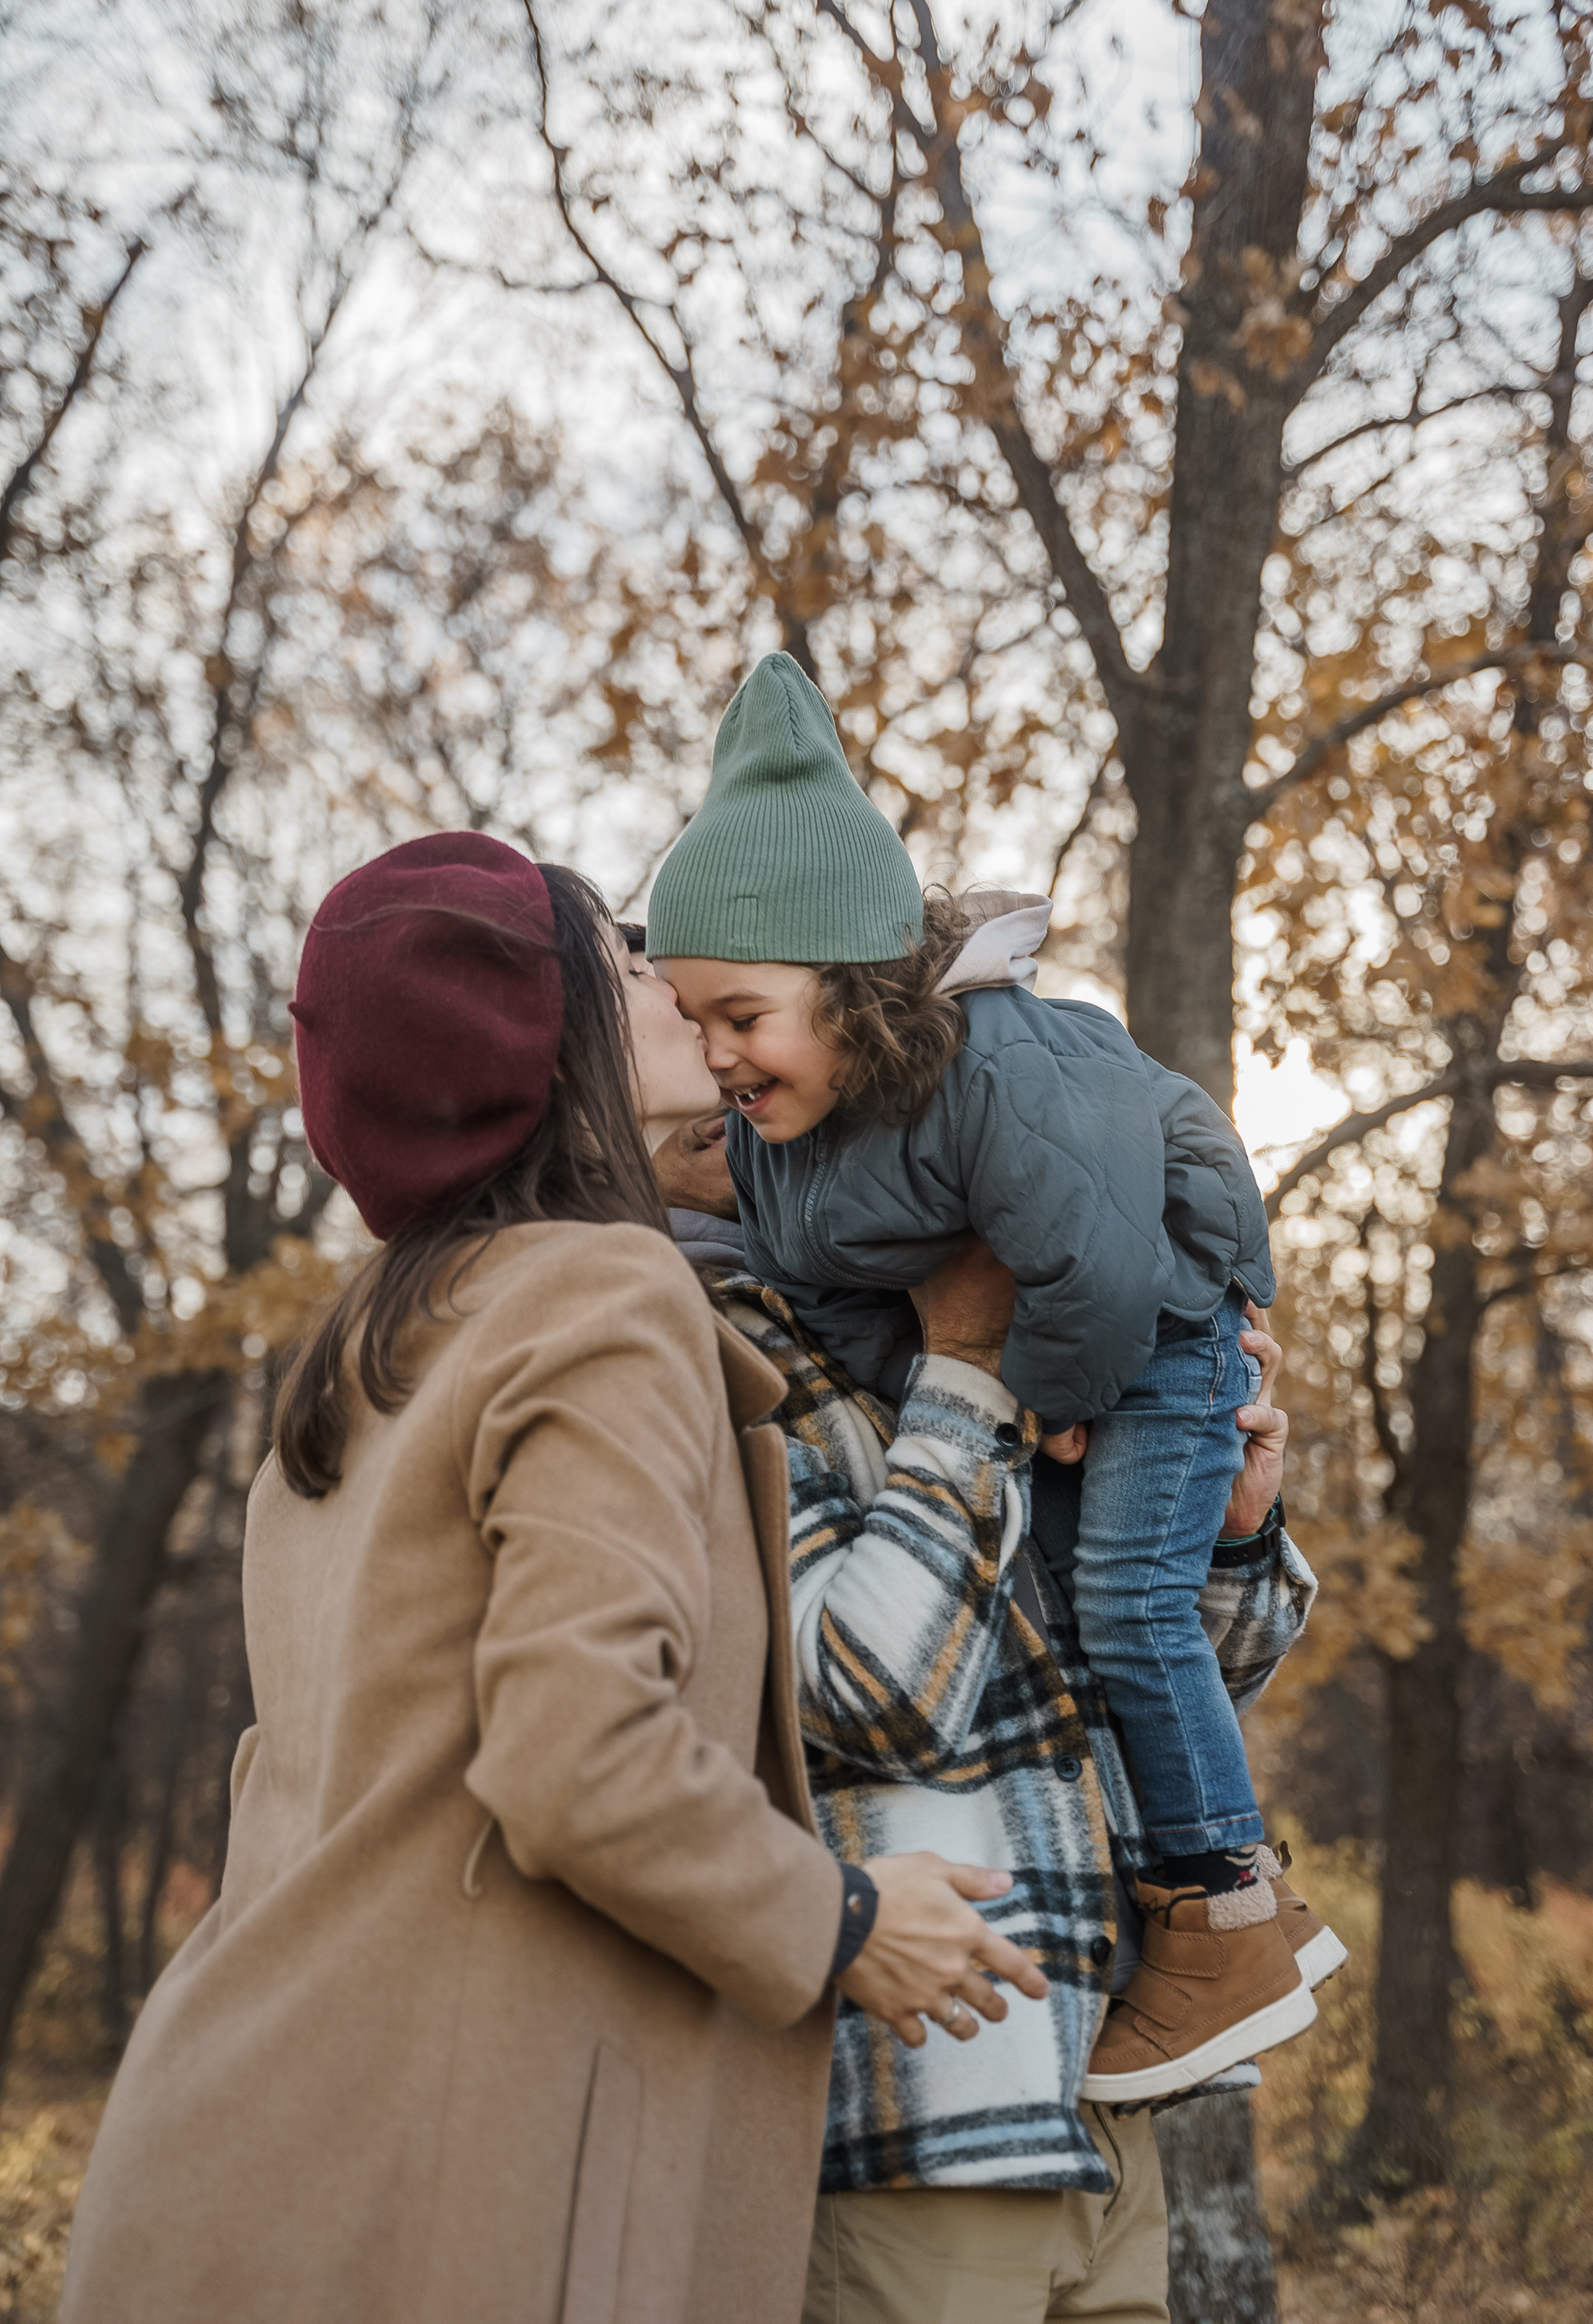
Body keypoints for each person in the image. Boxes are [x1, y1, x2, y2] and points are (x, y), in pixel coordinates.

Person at [59, 832, 1049, 2324]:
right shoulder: (599, 1292)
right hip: (460, 2189)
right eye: (630, 955)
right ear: (562, 1033)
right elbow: (577, 1749)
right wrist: (842, 1920)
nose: (673, 976)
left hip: (244, 2153)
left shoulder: (369, 1351)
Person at [648, 653, 1342, 2101]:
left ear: (847, 990)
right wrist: (959, 1378)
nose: (714, 1060)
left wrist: (1093, 1426)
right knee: (1116, 1601)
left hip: (1143, 1341)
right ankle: (1224, 1915)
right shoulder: (734, 1250)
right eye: (685, 1018)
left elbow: (1090, 1270)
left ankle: (1221, 1910)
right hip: (963, 2081)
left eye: (737, 1019)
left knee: (1131, 1599)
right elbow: (848, 1320)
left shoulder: (999, 1075)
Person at [645, 1092, 1323, 2324]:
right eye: (707, 1033)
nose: (730, 1084)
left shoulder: (934, 1294)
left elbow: (1168, 1693)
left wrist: (1221, 1533)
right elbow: (869, 1694)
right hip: (926, 2104)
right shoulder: (698, 1346)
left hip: (1112, 2077)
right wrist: (960, 1368)